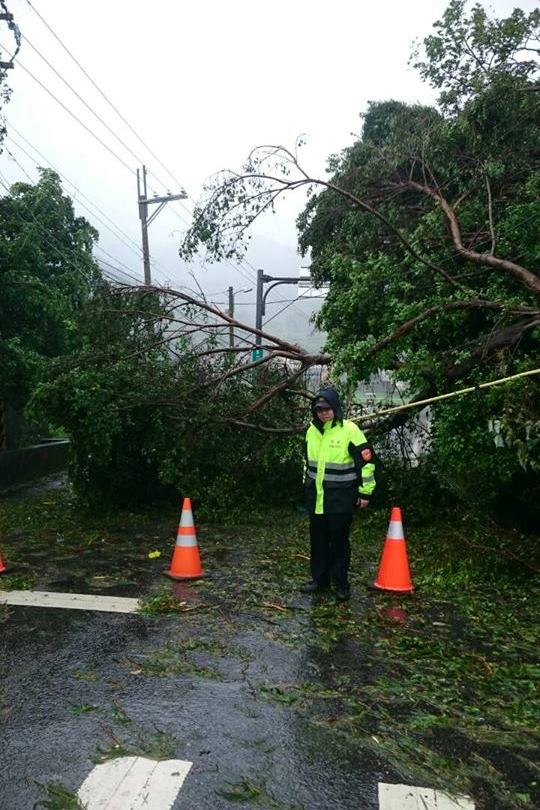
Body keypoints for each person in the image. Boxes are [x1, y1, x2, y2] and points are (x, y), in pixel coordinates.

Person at [301, 387, 376, 601]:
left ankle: (341, 584)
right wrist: (305, 489)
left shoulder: (350, 430)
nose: (323, 413)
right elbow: (306, 463)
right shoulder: (311, 431)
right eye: (318, 410)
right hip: (317, 498)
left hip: (341, 499)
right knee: (318, 541)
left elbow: (367, 463)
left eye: (326, 409)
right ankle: (319, 580)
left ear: (335, 408)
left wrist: (365, 493)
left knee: (339, 543)